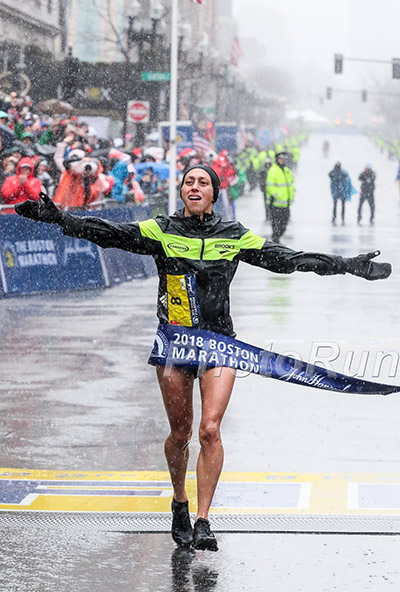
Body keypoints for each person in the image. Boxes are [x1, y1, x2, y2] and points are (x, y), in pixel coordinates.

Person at [14, 165, 391, 551]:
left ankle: (203, 519)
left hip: (219, 344)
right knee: (181, 434)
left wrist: (348, 266)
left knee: (210, 430)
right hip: (175, 343)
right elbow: (111, 234)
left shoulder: (234, 235)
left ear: (214, 193)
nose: (195, 187)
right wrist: (61, 219)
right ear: (182, 191)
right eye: (189, 182)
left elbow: (289, 259)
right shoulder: (162, 230)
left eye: (203, 182)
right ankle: (180, 500)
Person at [266, 152, 294, 243]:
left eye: (283, 159)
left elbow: (290, 185)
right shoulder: (273, 170)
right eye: (280, 159)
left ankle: (277, 238)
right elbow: (270, 186)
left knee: (284, 223)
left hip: (286, 203)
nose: (282, 161)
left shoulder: (286, 170)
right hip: (276, 204)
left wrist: (291, 196)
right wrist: (277, 195)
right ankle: (275, 240)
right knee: (276, 224)